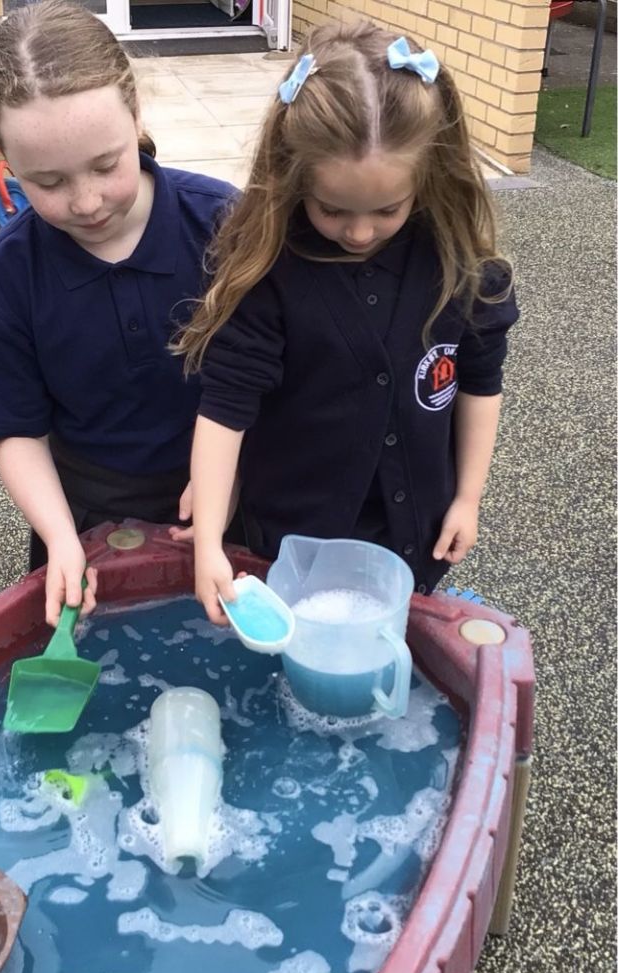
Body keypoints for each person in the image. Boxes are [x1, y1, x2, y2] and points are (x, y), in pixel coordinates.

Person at [173, 21, 520, 625]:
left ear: (430, 176)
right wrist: (208, 543)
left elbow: (479, 381)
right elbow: (226, 406)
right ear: (293, 175)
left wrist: (468, 497)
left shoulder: (460, 262)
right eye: (332, 208)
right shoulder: (268, 273)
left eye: (388, 209)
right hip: (293, 538)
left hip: (413, 531)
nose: (360, 232)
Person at [0, 0, 236, 626]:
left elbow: (285, 369)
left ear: (135, 115)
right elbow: (17, 431)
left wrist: (232, 479)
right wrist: (58, 537)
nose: (85, 202)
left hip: (232, 488)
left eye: (107, 165)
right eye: (47, 182)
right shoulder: (3, 279)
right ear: (2, 155)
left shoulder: (226, 226)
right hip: (87, 508)